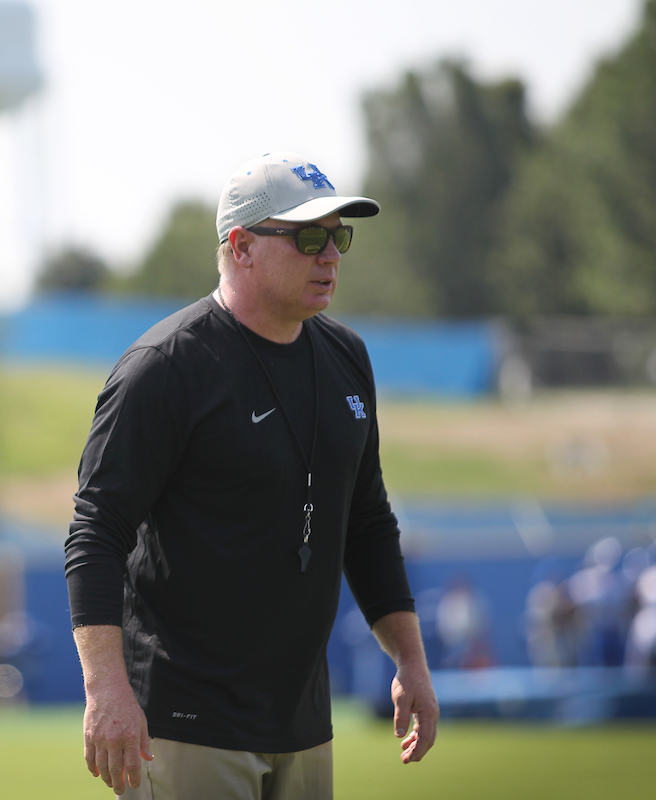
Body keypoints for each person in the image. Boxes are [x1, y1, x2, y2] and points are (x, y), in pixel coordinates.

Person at [64, 152, 438, 799]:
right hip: (186, 723)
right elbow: (95, 533)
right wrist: (106, 691)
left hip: (302, 722)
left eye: (338, 236)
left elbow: (368, 522)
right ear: (240, 247)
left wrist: (411, 660)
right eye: (308, 237)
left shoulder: (347, 356)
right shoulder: (166, 366)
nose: (330, 256)